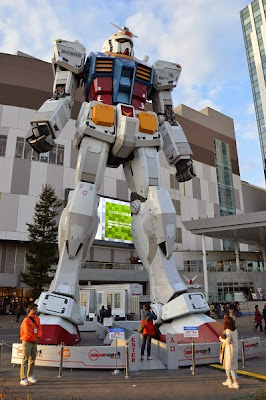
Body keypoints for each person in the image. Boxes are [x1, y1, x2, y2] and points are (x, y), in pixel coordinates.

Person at [20, 304, 42, 386]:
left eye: (36, 309)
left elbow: (40, 329)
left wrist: (38, 338)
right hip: (28, 341)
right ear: (30, 310)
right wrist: (35, 339)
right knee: (25, 359)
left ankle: (30, 375)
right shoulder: (26, 320)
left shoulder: (37, 319)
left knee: (32, 359)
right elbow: (27, 332)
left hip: (34, 341)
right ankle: (23, 377)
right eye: (34, 309)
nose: (35, 311)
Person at [219, 316, 239, 389]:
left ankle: (235, 382)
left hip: (229, 350)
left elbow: (228, 341)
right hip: (234, 350)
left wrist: (221, 339)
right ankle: (229, 379)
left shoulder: (228, 330)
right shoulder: (235, 330)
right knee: (229, 365)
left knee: (230, 367)